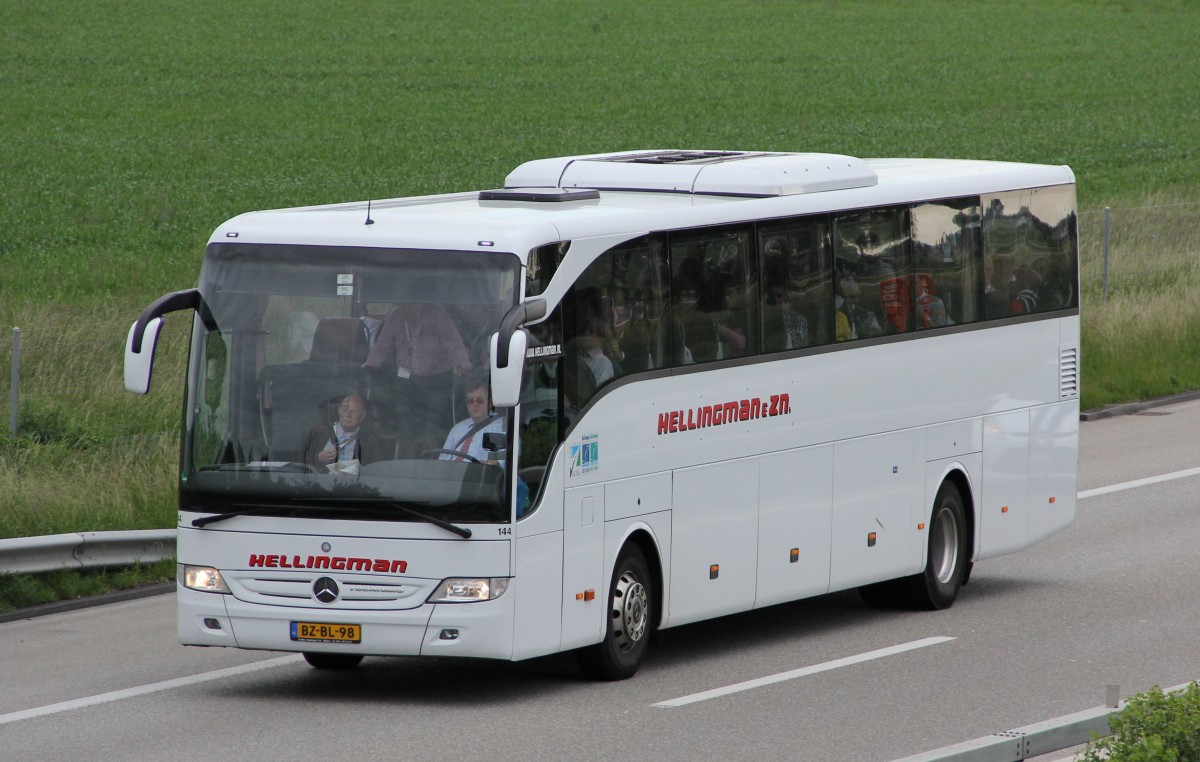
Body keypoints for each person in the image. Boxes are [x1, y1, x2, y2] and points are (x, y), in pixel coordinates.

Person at [300, 394, 377, 474]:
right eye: (344, 409)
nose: (348, 414)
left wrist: (360, 471)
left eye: (353, 411)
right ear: (339, 410)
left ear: (362, 416)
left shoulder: (368, 440)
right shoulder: (320, 432)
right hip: (319, 484)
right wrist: (319, 457)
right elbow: (299, 460)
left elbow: (376, 469)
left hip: (354, 485)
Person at [439, 375, 504, 463]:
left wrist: (487, 463)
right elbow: (443, 461)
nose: (475, 404)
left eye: (479, 401)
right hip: (454, 475)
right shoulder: (457, 429)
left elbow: (500, 459)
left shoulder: (500, 426)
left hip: (480, 475)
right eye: (470, 401)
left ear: (490, 403)